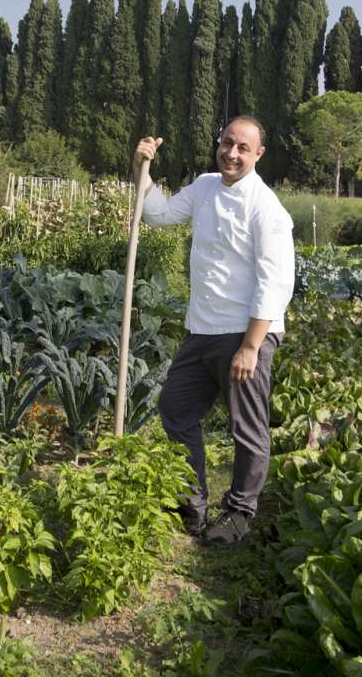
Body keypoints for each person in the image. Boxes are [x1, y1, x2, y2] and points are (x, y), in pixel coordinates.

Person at [132, 116, 295, 545]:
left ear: (259, 154)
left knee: (246, 428)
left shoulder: (266, 208)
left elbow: (276, 282)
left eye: (243, 148)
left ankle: (239, 512)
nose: (231, 153)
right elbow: (159, 215)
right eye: (227, 143)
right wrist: (142, 168)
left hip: (245, 331)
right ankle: (192, 503)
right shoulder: (205, 186)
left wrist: (251, 346)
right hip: (202, 328)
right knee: (176, 407)